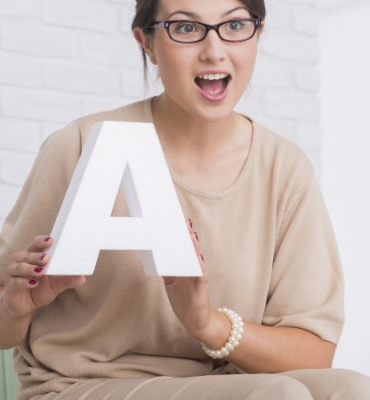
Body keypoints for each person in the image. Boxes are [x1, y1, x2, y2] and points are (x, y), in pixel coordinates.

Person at [0, 0, 370, 399]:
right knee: (278, 395)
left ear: (258, 34)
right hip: (81, 385)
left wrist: (208, 324)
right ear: (147, 43)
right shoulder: (81, 145)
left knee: (351, 389)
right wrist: (16, 306)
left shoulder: (283, 168)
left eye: (234, 25)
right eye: (186, 29)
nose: (214, 50)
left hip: (228, 385)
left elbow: (313, 353)